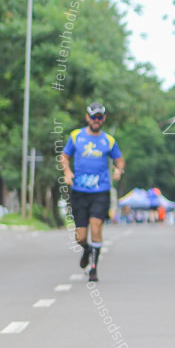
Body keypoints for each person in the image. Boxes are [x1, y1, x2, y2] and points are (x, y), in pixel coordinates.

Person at [60, 102, 125, 282]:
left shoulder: (108, 140)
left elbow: (120, 160)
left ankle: (94, 269)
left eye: (100, 117)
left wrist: (119, 170)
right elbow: (64, 156)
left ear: (103, 119)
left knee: (96, 226)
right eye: (94, 117)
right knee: (80, 236)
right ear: (87, 117)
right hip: (79, 191)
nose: (97, 120)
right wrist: (67, 171)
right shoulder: (76, 137)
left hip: (100, 191)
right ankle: (86, 249)